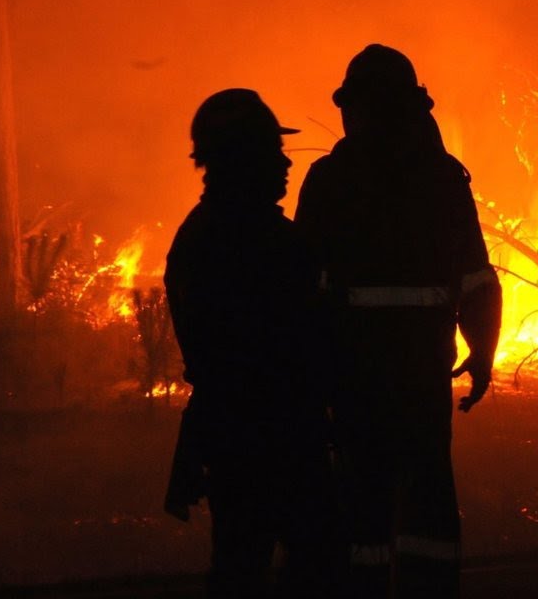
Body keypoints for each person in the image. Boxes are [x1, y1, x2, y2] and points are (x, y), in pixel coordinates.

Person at [295, 44, 502, 597]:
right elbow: (479, 281)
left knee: (362, 508)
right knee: (428, 503)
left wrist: (308, 381)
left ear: (357, 108)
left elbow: (302, 290)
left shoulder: (330, 180)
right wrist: (482, 352)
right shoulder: (443, 180)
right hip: (420, 377)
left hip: (354, 377)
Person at [163, 88, 341, 598]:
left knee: (242, 563)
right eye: (271, 150)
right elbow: (287, 344)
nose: (285, 163)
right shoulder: (264, 244)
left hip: (234, 433)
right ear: (242, 159)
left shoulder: (201, 237)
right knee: (311, 561)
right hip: (277, 434)